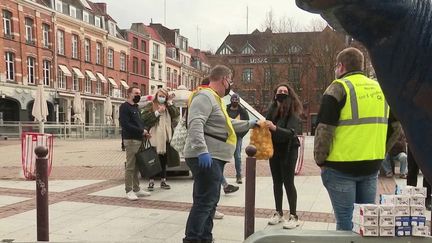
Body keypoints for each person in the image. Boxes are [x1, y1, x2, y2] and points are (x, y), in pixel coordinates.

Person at [314, 47, 400, 230]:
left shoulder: (338, 88)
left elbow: (324, 129)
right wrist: (381, 150)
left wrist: (320, 160)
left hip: (340, 166)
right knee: (365, 221)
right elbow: (396, 127)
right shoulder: (381, 89)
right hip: (371, 165)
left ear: (341, 66)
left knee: (345, 222)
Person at [183, 65, 256, 243]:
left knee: (210, 201)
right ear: (224, 79)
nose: (230, 85)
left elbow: (228, 123)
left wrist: (250, 123)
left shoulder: (215, 99)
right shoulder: (205, 96)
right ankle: (192, 239)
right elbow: (195, 123)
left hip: (214, 156)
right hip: (208, 156)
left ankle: (204, 238)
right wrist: (202, 151)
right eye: (230, 80)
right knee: (205, 202)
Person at [264, 83, 303, 229]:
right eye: (279, 90)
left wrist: (274, 128)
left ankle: (293, 216)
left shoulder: (293, 111)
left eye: (284, 91)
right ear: (275, 94)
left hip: (289, 149)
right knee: (276, 182)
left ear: (289, 94)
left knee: (288, 182)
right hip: (274, 149)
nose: (281, 93)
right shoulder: (272, 109)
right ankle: (278, 212)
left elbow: (291, 133)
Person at [141, 88, 180, 191]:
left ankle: (163, 180)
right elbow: (144, 118)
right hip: (154, 137)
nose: (161, 98)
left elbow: (176, 114)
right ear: (156, 96)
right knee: (153, 160)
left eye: (164, 96)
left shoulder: (168, 106)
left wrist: (170, 103)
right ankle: (151, 181)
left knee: (163, 160)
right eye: (160, 96)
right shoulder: (151, 105)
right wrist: (157, 112)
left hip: (166, 137)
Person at [119, 87, 151, 200]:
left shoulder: (136, 107)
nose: (138, 95)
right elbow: (125, 124)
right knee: (130, 166)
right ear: (129, 94)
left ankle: (136, 188)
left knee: (137, 165)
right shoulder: (124, 107)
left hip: (139, 139)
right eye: (136, 93)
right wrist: (141, 131)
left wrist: (145, 132)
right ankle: (129, 190)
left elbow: (139, 123)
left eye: (139, 93)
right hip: (131, 140)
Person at [227, 93, 250, 184]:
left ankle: (238, 175)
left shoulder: (243, 111)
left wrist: (241, 135)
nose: (234, 102)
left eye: (236, 101)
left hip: (237, 136)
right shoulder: (225, 109)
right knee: (223, 156)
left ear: (239, 102)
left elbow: (247, 124)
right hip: (226, 136)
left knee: (237, 156)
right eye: (233, 101)